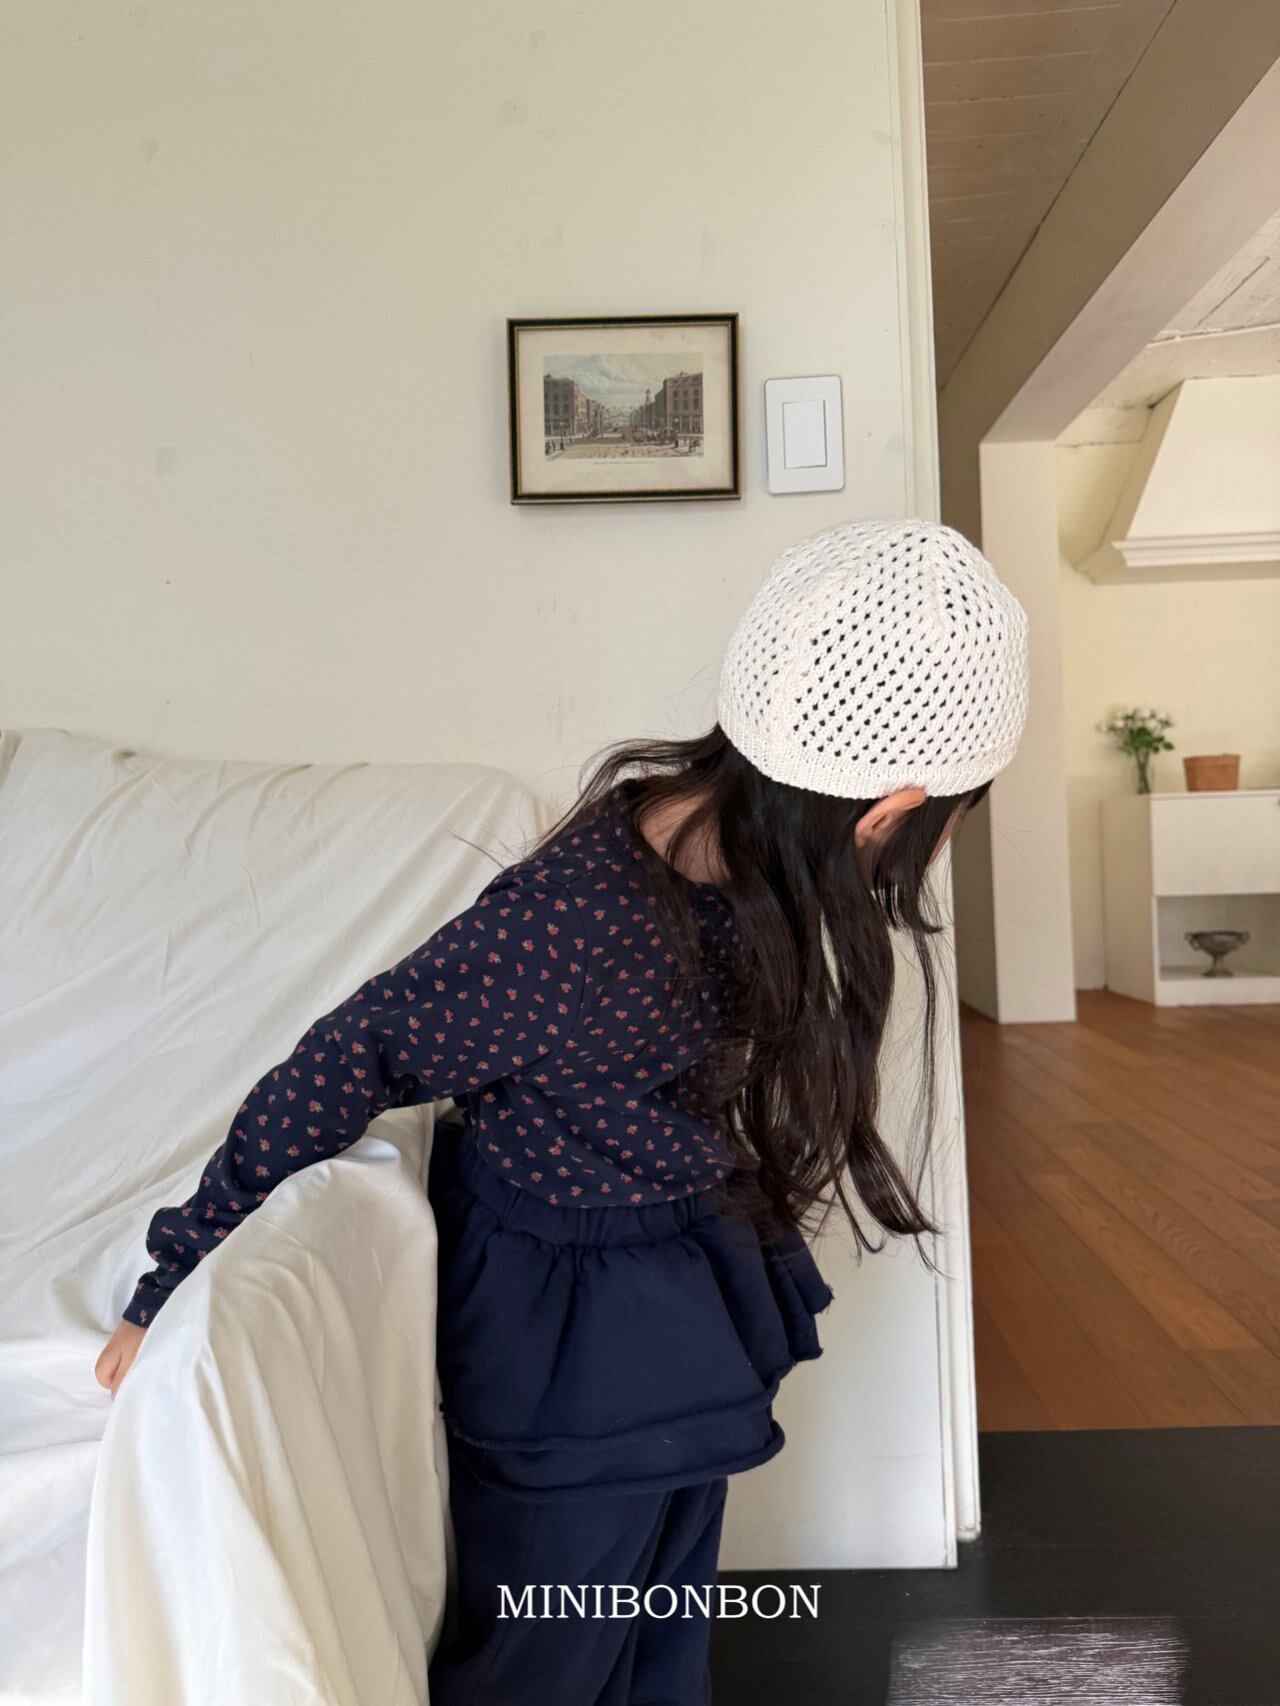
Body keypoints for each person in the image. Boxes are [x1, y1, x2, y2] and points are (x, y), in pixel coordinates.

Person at [95, 519, 1028, 1704]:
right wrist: (174, 1267)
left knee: (656, 1620)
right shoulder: (578, 923)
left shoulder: (712, 839)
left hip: (668, 1266)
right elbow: (350, 1051)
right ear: (888, 811)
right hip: (572, 1341)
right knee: (553, 1640)